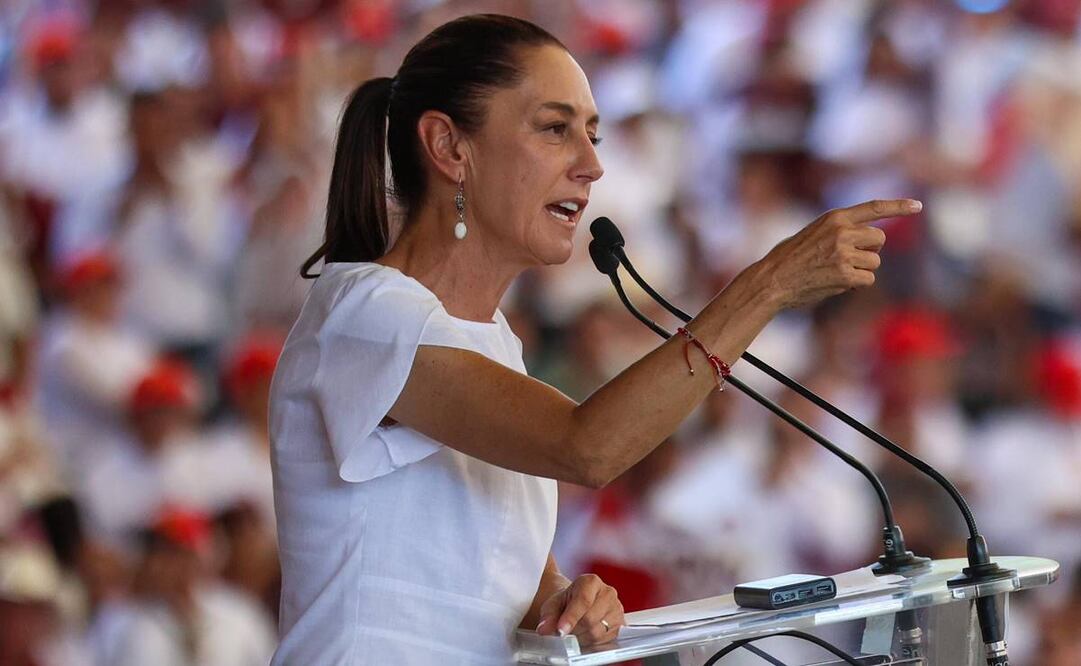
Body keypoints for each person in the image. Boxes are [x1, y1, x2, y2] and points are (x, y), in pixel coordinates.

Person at [268, 13, 919, 664]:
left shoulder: (492, 342)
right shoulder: (364, 314)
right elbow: (588, 448)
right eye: (555, 130)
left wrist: (564, 597)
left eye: (593, 135)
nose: (591, 166)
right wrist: (767, 285)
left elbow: (480, 572)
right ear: (448, 147)